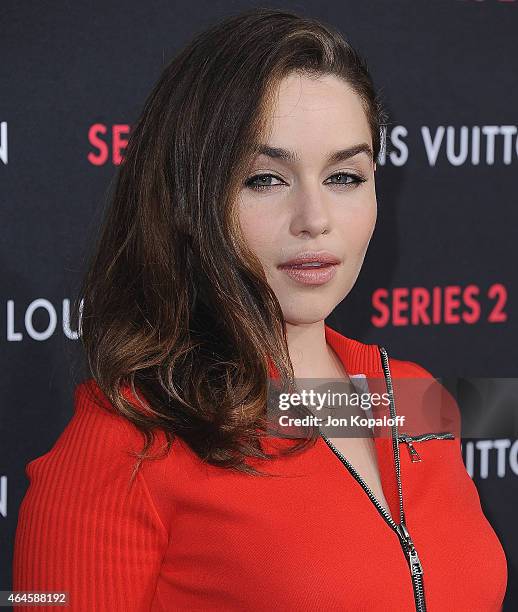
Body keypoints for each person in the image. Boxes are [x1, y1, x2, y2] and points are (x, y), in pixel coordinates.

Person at [12, 7, 507, 611]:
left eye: (345, 177)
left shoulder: (414, 397)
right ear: (189, 200)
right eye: (264, 179)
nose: (315, 220)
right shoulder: (126, 445)